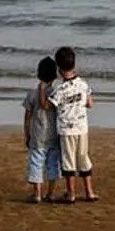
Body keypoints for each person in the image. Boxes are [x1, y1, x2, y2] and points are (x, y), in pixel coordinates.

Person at [44, 46, 98, 203]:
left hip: (66, 130)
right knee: (83, 158)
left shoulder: (60, 90)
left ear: (59, 69)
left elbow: (47, 106)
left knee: (68, 162)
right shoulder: (83, 84)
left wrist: (43, 89)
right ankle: (89, 192)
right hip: (81, 127)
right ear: (74, 64)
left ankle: (71, 193)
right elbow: (90, 103)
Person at [22, 56, 61, 203]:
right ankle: (50, 193)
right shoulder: (56, 94)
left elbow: (27, 117)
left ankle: (37, 194)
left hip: (37, 135)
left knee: (36, 163)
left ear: (38, 74)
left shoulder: (32, 94)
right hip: (53, 135)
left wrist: (27, 134)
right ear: (55, 75)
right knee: (52, 164)